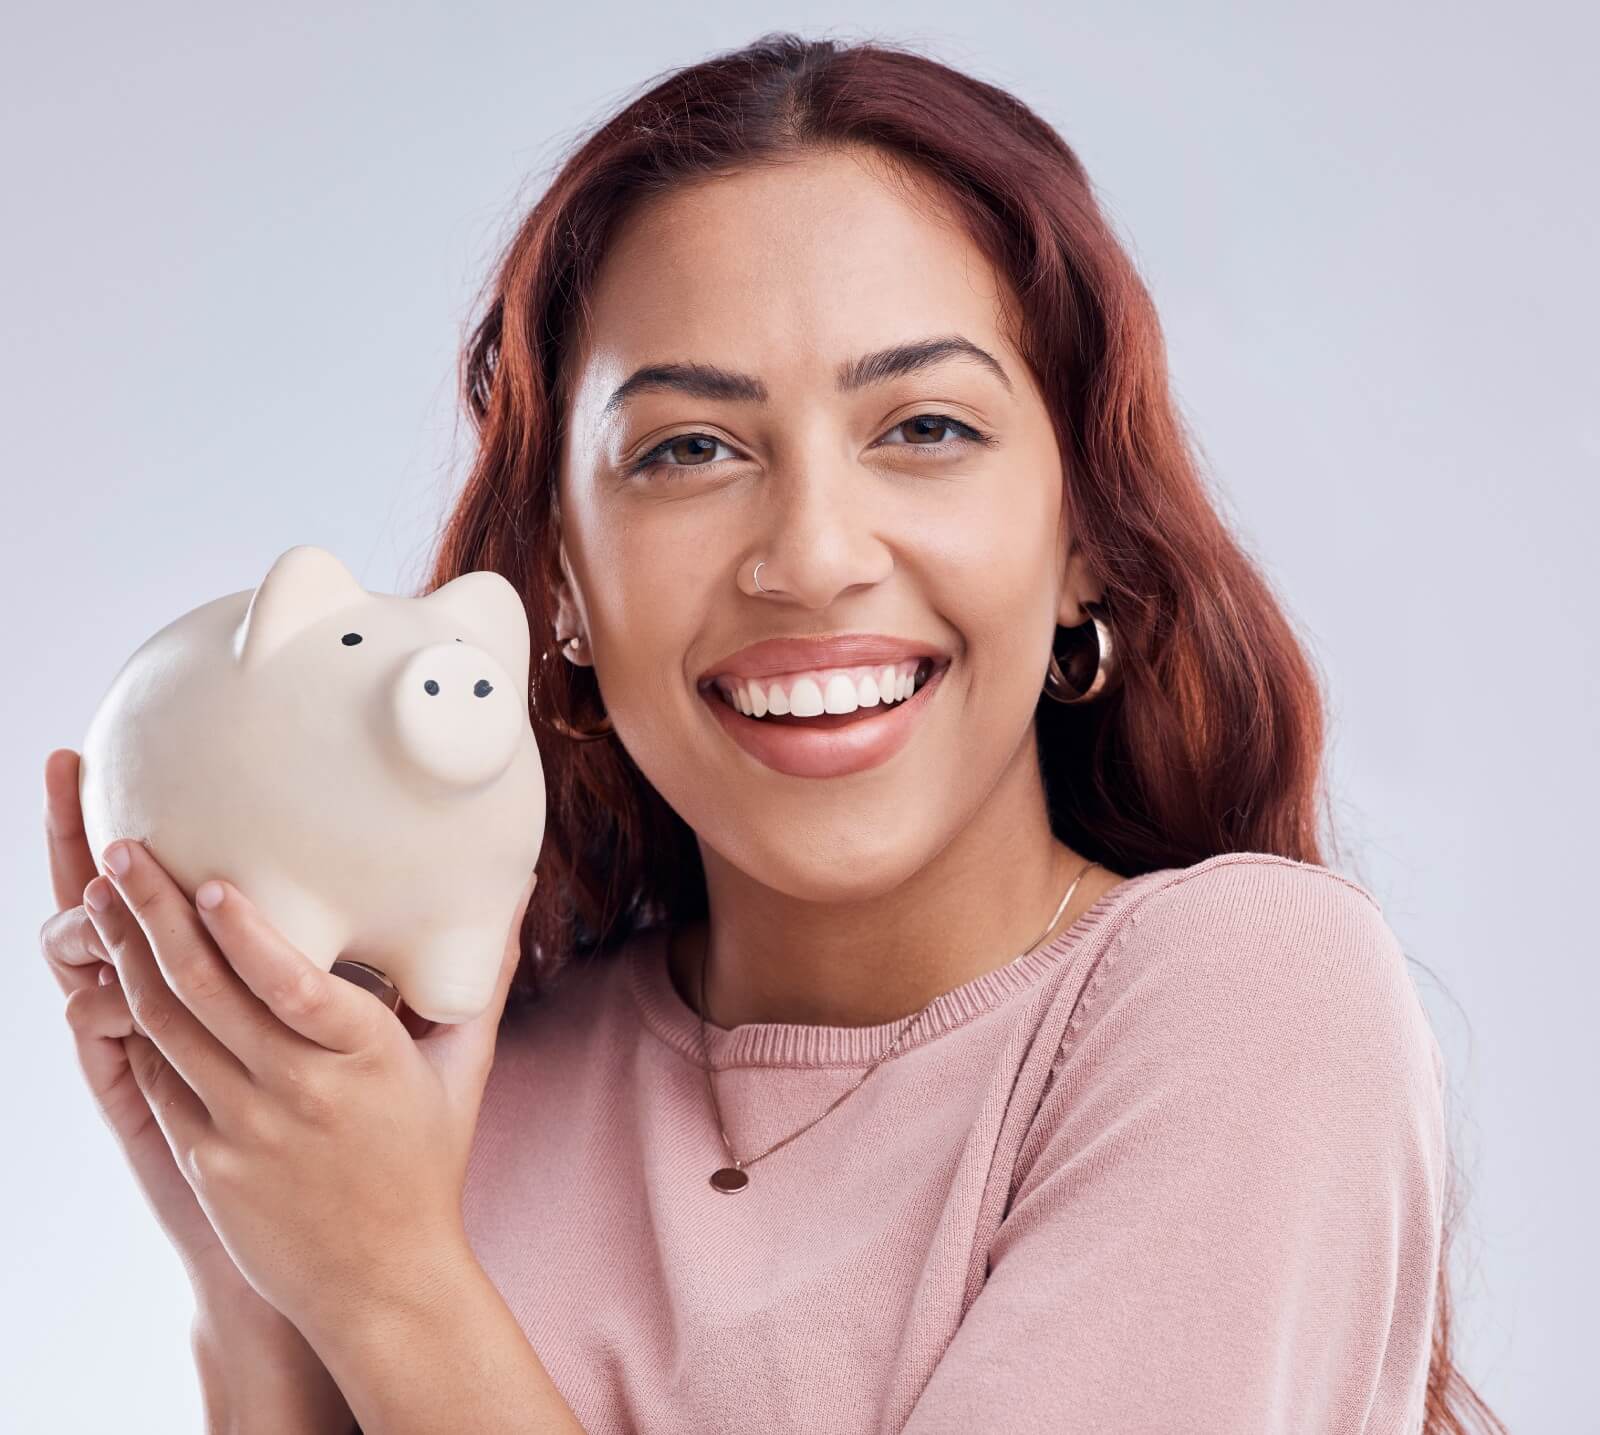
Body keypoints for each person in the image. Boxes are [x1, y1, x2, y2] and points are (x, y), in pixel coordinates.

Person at [42, 32, 1509, 1435]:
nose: (810, 556)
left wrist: (387, 1286)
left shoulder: (1242, 998)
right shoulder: (451, 1094)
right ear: (555, 581)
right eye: (690, 450)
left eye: (925, 427)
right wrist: (246, 1265)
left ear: (1083, 540)